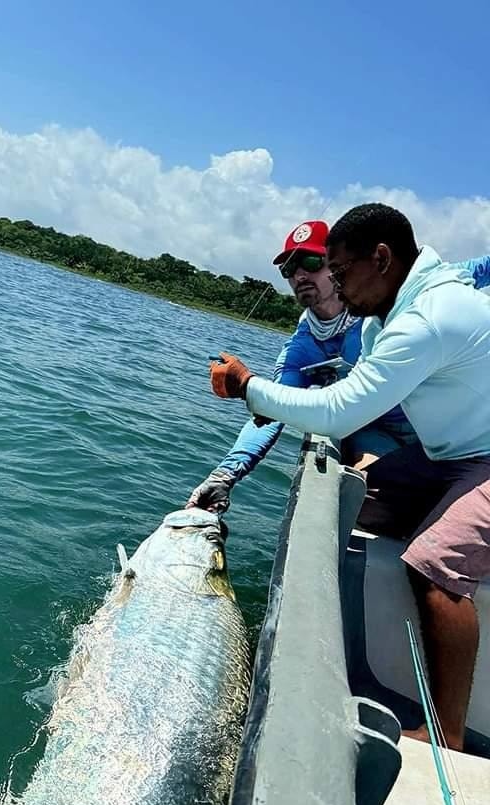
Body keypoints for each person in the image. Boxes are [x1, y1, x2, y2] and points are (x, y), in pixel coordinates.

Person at [208, 202, 490, 751]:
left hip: (475, 454)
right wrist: (227, 473)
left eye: (329, 269)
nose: (314, 281)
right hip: (447, 450)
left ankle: (447, 735)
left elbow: (336, 413)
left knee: (432, 568)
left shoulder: (423, 315)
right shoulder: (372, 314)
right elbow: (281, 411)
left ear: (380, 260)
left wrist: (245, 384)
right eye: (294, 271)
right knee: (346, 506)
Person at [186, 220, 490, 513]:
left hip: (445, 430)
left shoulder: (405, 294)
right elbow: (270, 413)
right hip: (375, 430)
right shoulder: (302, 346)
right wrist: (225, 475)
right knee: (359, 487)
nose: (300, 275)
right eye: (290, 268)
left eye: (311, 262)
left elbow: (479, 268)